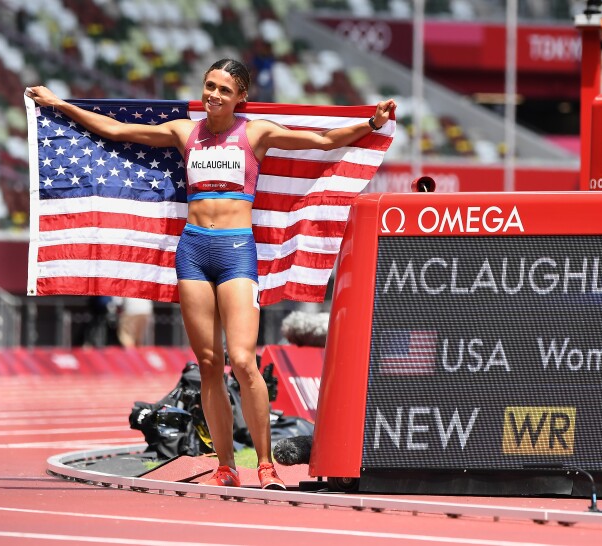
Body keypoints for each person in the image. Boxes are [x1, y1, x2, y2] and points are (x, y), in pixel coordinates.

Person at [27, 58, 396, 490]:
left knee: (242, 359)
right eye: (209, 86)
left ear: (241, 97)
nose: (214, 95)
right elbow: (116, 130)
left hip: (237, 250)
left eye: (224, 89)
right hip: (193, 250)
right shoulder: (185, 131)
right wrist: (58, 104)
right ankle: (225, 465)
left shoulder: (255, 133)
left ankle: (265, 464)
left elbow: (321, 139)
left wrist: (370, 123)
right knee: (208, 364)